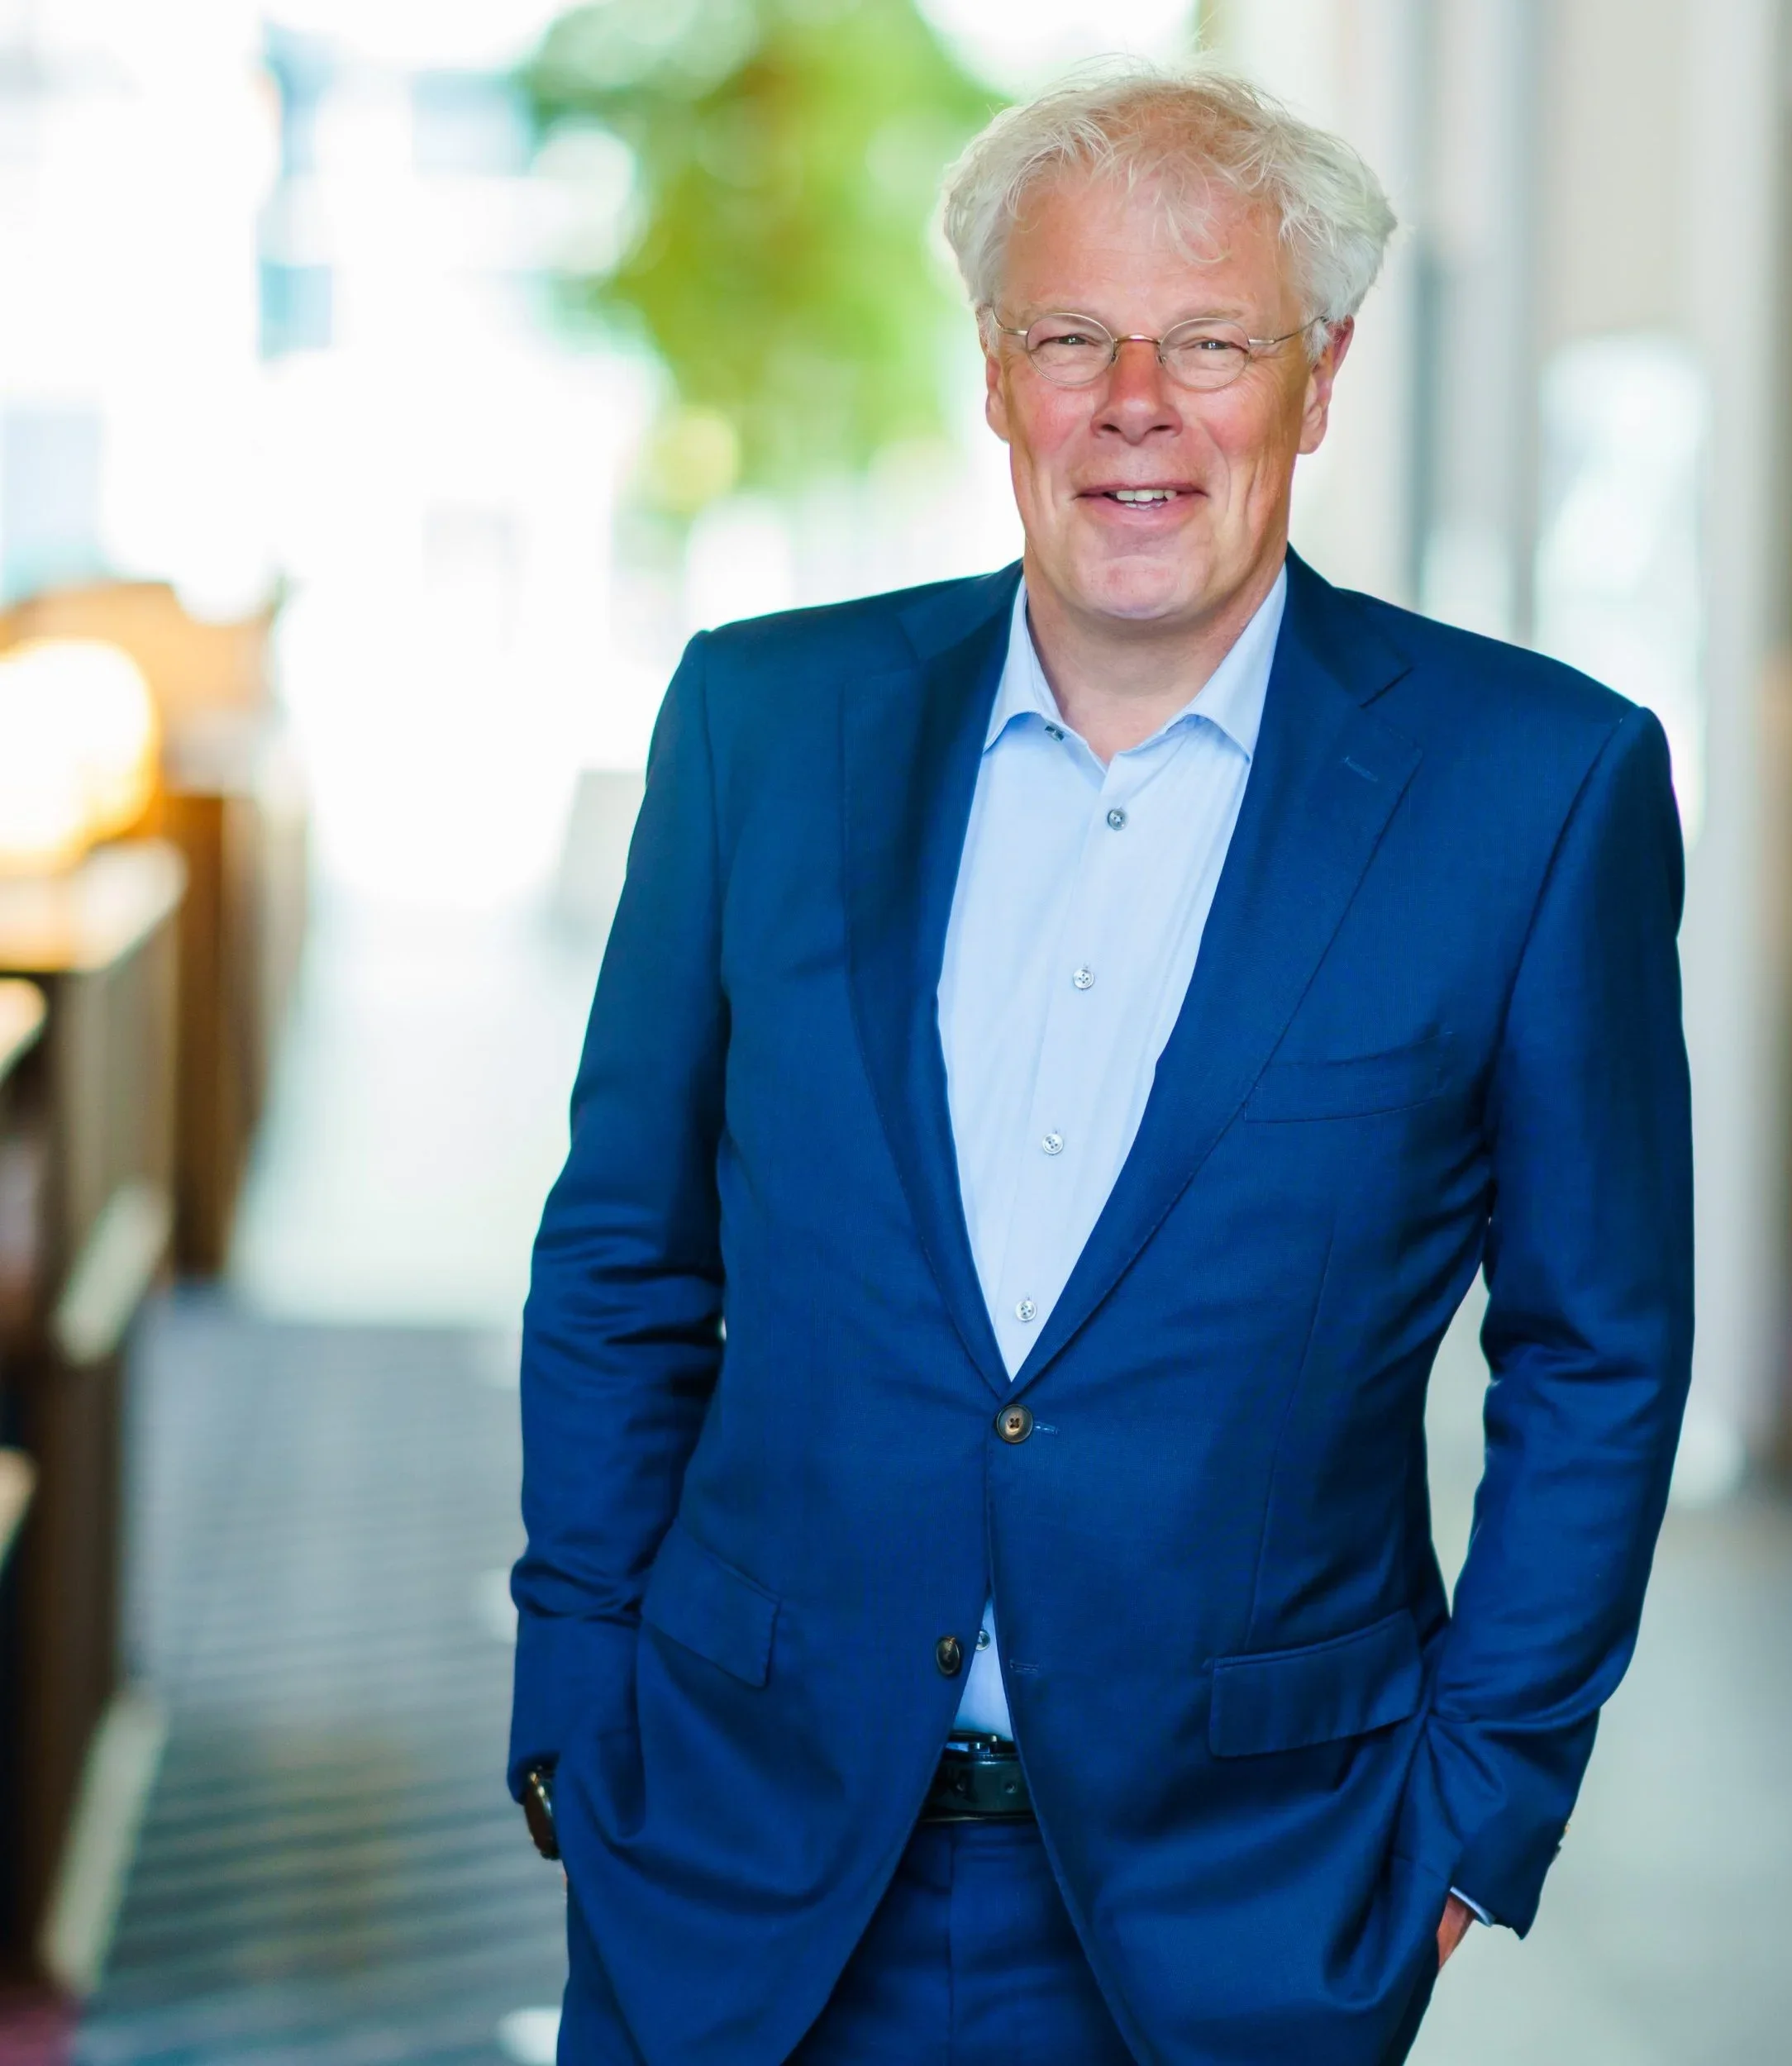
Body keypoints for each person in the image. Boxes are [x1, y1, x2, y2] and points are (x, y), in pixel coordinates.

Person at [510, 62, 1694, 2066]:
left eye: (1210, 339)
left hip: (1240, 1912)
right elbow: (625, 1258)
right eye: (1071, 335)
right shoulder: (757, 729)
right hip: (728, 1857)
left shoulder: (1537, 788)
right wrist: (577, 1699)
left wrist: (1473, 1812)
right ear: (995, 374)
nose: (1134, 400)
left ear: (1316, 377)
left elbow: (1595, 1349)